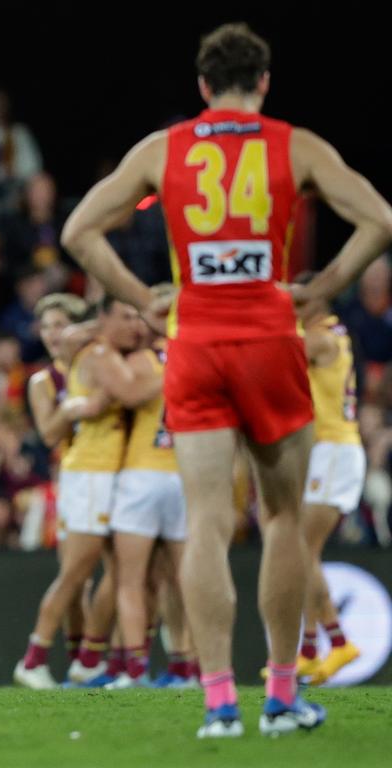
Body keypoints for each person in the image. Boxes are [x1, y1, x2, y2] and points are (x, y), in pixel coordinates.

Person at [60, 22, 392, 737]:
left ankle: (217, 703)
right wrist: (327, 281)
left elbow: (79, 229)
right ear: (264, 83)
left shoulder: (163, 150)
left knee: (206, 521)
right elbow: (380, 218)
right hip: (271, 337)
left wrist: (142, 295)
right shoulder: (294, 144)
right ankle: (279, 695)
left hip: (198, 338)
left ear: (203, 87)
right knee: (281, 521)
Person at [13, 296, 153, 687]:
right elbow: (48, 433)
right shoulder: (53, 377)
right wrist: (74, 409)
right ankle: (41, 657)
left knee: (119, 571)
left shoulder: (102, 355)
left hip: (111, 472)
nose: (53, 334)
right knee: (77, 574)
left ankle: (90, 658)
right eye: (46, 327)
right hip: (83, 475)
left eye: (59, 324)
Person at [105, 323, 188, 689]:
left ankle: (135, 670)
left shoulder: (140, 361)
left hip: (142, 475)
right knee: (188, 581)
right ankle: (193, 669)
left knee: (131, 580)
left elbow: (127, 396)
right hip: (186, 473)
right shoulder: (200, 357)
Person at [295, 273, 365, 685]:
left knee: (303, 550)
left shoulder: (320, 338)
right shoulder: (327, 333)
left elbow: (278, 358)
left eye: (300, 301)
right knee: (303, 553)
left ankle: (337, 643)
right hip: (327, 449)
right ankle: (308, 649)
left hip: (334, 449)